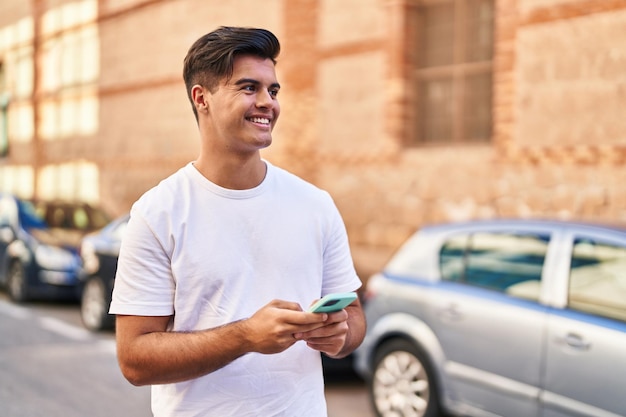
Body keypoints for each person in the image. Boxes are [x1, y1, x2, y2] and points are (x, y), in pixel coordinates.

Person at [109, 26, 366, 417]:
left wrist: (339, 335)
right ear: (202, 99)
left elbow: (354, 320)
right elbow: (135, 360)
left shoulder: (316, 204)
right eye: (249, 88)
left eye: (273, 90)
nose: (268, 103)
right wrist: (246, 336)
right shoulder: (158, 213)